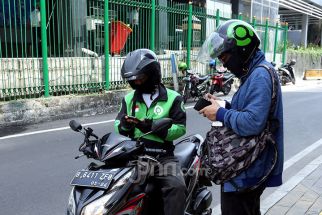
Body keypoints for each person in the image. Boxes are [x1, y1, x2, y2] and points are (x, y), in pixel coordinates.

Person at [197, 19, 284, 215]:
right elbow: (248, 110)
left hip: (247, 168)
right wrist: (222, 105)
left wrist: (219, 113)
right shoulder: (254, 73)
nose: (224, 64)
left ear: (241, 50)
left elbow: (252, 123)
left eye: (225, 57)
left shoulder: (260, 75)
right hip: (246, 166)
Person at [114, 49, 187, 215]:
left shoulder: (173, 98)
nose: (137, 83)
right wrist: (125, 125)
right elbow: (118, 124)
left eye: (141, 78)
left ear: (153, 74)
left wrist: (153, 127)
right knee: (117, 188)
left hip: (162, 157)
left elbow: (180, 128)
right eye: (133, 80)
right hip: (135, 157)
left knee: (177, 187)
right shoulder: (128, 99)